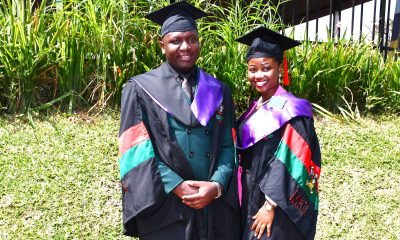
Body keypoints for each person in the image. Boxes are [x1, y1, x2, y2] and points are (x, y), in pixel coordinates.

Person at [118, 1, 239, 239]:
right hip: (166, 206)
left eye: (192, 39)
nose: (186, 46)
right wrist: (176, 185)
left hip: (211, 210)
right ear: (162, 45)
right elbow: (136, 151)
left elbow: (228, 145)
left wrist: (216, 186)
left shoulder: (218, 90)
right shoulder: (140, 89)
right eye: (176, 41)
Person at [235, 26, 321, 240]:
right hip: (248, 193)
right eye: (252, 69)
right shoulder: (254, 108)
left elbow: (294, 159)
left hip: (275, 201)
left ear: (280, 69)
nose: (258, 75)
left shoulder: (293, 110)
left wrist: (269, 205)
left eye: (266, 68)